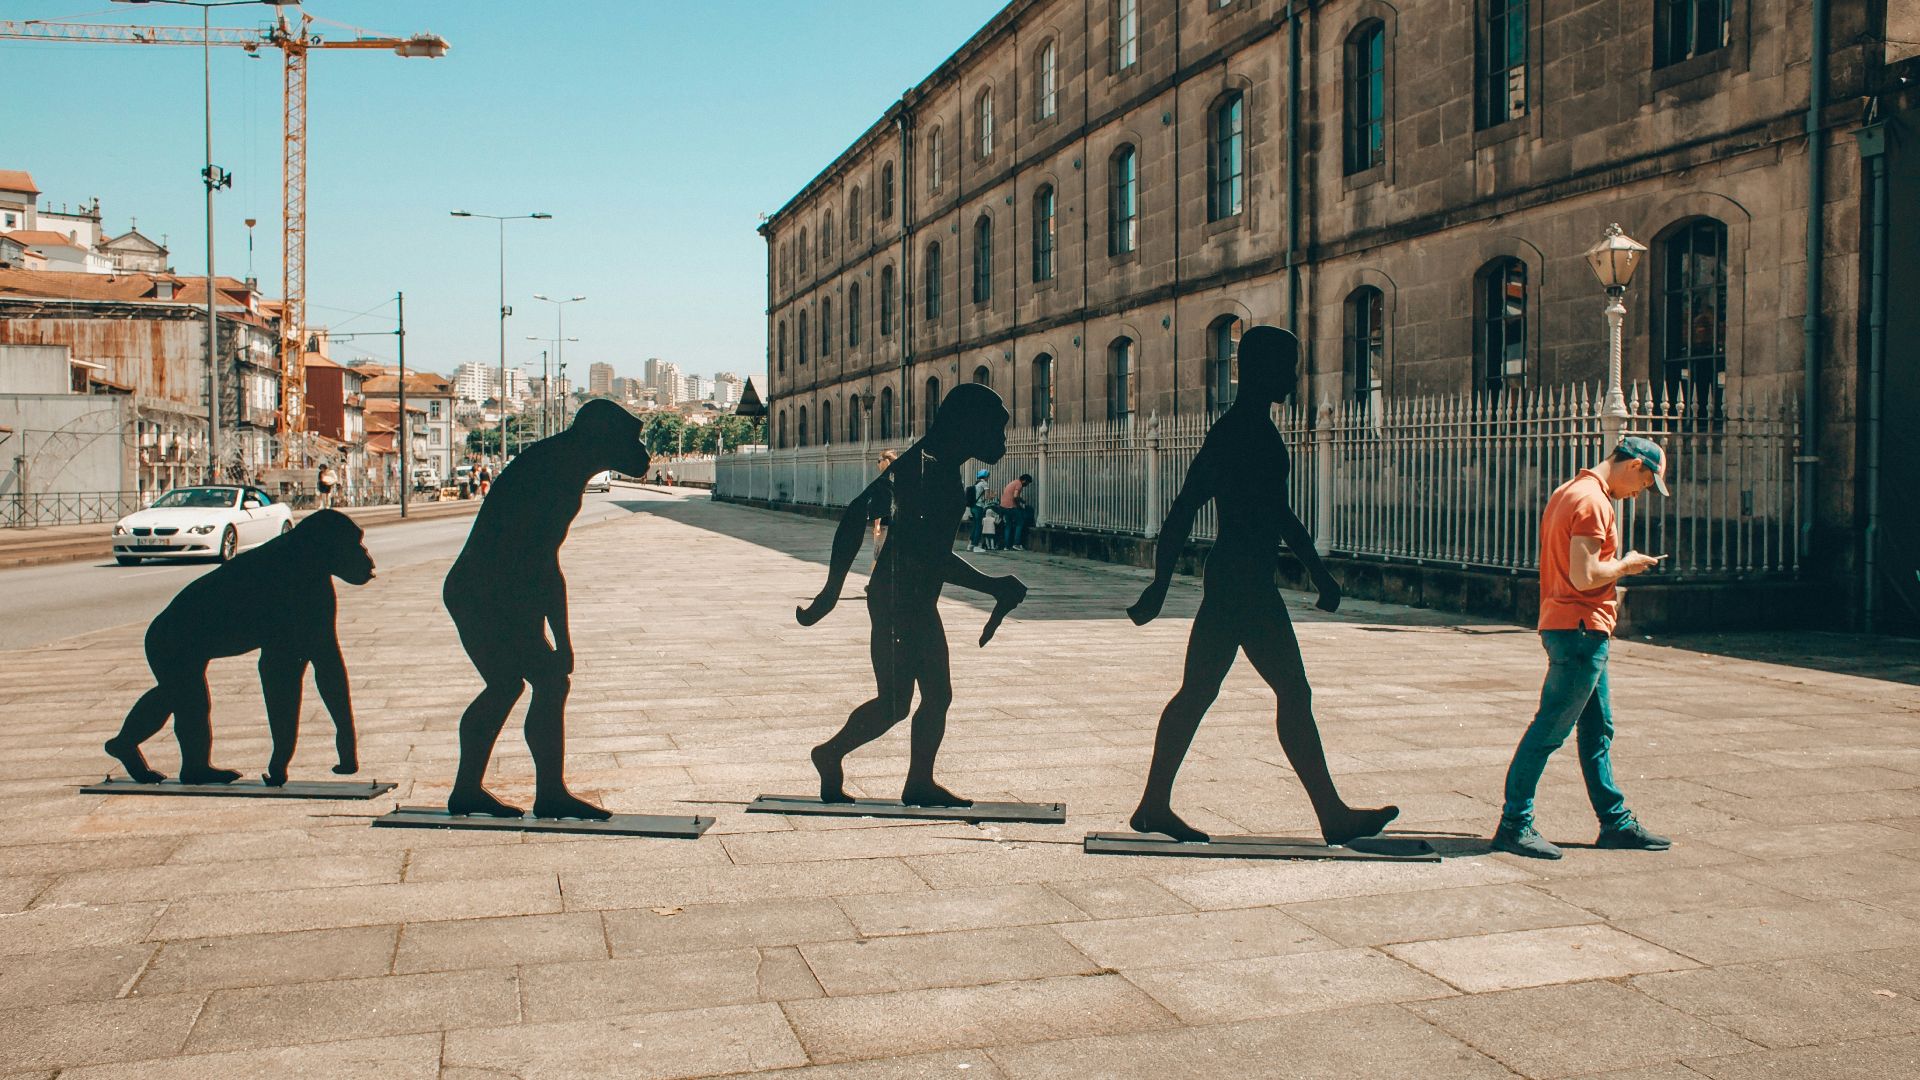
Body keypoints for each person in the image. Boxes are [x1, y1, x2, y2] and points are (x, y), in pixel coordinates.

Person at [1126, 325, 1398, 847]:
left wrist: (1319, 573)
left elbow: (1272, 513)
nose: (1294, 376)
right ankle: (1331, 815)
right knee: (1289, 692)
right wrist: (1158, 584)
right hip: (1242, 585)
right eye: (1287, 365)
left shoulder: (1247, 429)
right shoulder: (1241, 432)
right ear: (1260, 369)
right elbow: (1191, 508)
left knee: (1202, 692)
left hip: (1237, 578)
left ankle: (1154, 804)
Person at [797, 384, 1026, 808]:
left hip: (910, 598)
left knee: (925, 698)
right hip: (899, 600)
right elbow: (919, 550)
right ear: (970, 425)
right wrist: (830, 592)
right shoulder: (929, 470)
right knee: (898, 704)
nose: (1003, 440)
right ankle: (833, 755)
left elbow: (921, 549)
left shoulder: (934, 462)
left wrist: (833, 591)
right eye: (997, 429)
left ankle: (913, 780)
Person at [1492, 436, 1672, 860]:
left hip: (1573, 627)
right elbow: (1585, 575)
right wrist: (1626, 565)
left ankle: (1615, 822)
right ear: (1633, 465)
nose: (1641, 493)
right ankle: (1514, 824)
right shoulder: (1594, 501)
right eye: (1646, 483)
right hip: (1580, 631)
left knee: (1597, 730)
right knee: (1550, 730)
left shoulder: (1568, 491)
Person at [871, 449, 899, 567]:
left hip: (884, 525)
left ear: (885, 462)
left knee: (878, 557)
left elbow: (878, 504)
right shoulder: (897, 480)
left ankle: (874, 584)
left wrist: (876, 525)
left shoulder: (882, 481)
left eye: (879, 461)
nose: (877, 464)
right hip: (896, 525)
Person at [999, 473, 1031, 550]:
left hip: (1003, 506)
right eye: (1027, 483)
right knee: (1020, 523)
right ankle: (1016, 544)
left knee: (1008, 525)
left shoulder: (1013, 482)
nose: (1026, 485)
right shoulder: (1019, 484)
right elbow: (1015, 496)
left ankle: (1006, 546)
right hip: (1011, 506)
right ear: (1024, 481)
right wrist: (1019, 505)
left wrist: (1021, 500)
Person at [967, 469, 993, 552]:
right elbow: (986, 497)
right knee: (979, 526)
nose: (988, 478)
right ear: (985, 477)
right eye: (988, 476)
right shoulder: (984, 483)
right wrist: (992, 496)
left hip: (973, 507)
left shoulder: (976, 483)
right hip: (979, 507)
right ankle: (976, 546)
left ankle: (970, 545)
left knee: (975, 526)